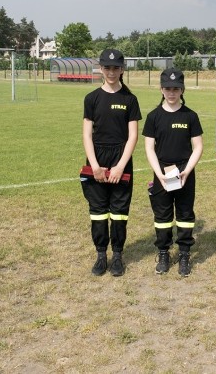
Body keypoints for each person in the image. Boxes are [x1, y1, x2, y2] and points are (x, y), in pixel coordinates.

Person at [80, 49, 142, 277]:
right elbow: (87, 134)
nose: (111, 72)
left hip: (120, 160)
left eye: (116, 68)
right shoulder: (92, 98)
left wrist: (120, 166)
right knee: (97, 211)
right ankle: (100, 255)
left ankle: (117, 255)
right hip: (96, 159)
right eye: (107, 67)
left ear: (122, 69)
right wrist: (94, 165)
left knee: (119, 212)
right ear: (100, 68)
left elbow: (133, 136)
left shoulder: (129, 99)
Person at [143, 67, 204, 277]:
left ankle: (185, 254)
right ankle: (163, 252)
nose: (172, 93)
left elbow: (198, 147)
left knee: (185, 214)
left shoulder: (191, 116)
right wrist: (158, 173)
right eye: (168, 88)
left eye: (176, 89)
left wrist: (187, 170)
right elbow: (149, 148)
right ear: (161, 89)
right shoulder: (153, 117)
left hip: (184, 173)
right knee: (163, 215)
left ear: (182, 90)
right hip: (162, 174)